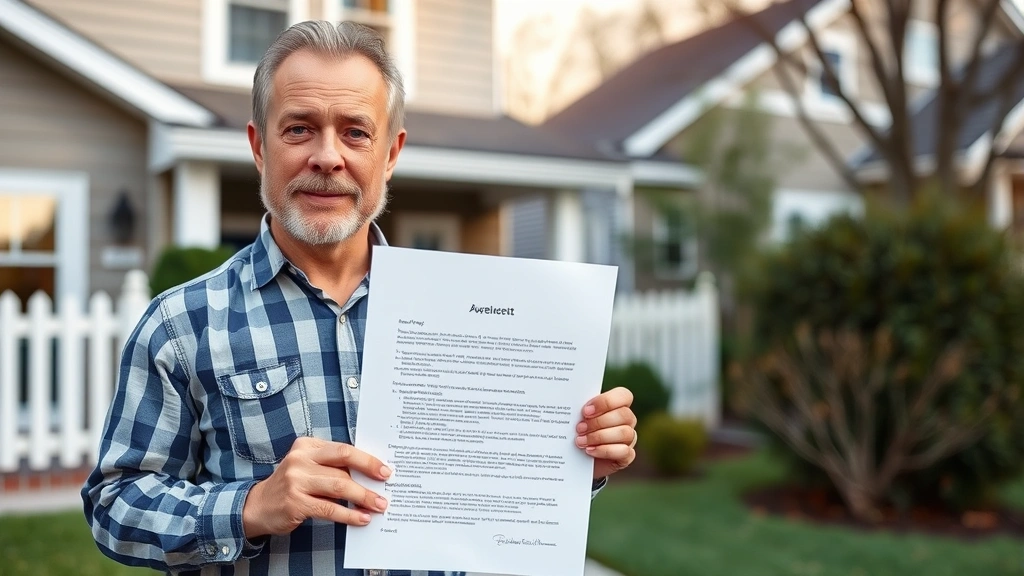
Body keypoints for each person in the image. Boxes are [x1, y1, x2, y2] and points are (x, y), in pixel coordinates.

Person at [82, 20, 637, 576]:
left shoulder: (475, 318)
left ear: (390, 154)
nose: (327, 157)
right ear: (258, 146)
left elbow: (497, 499)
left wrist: (572, 463)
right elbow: (113, 506)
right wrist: (247, 506)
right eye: (299, 129)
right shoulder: (182, 326)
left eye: (355, 132)